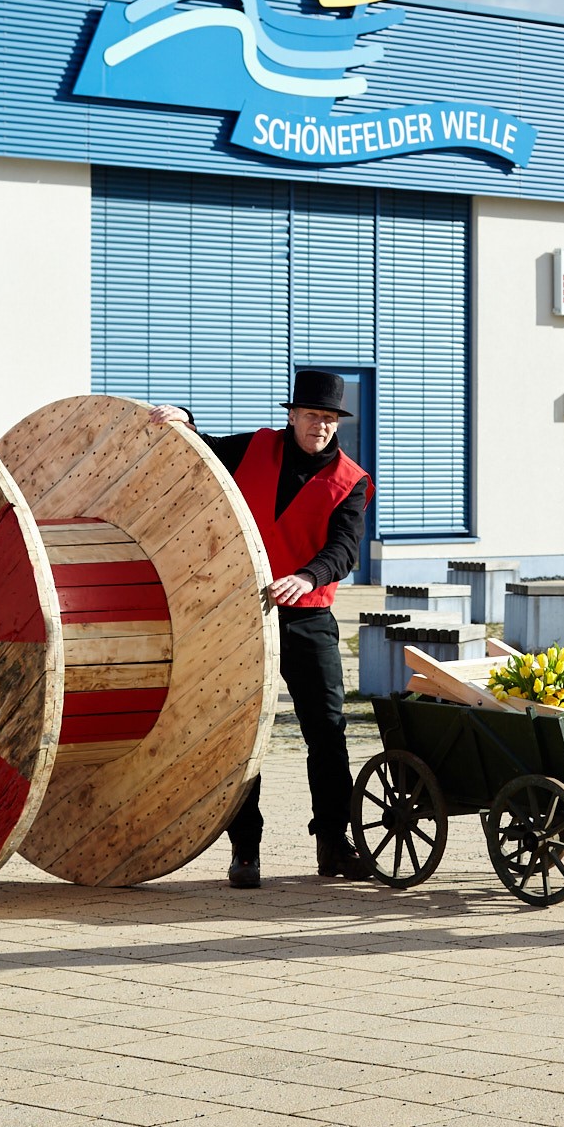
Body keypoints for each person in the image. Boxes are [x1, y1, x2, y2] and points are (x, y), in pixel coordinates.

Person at [150, 372, 374, 889]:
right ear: (291, 415)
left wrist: (306, 576)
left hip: (308, 614)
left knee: (327, 731)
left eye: (330, 418)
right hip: (240, 611)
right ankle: (245, 850)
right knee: (240, 732)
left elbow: (344, 551)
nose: (321, 426)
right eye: (313, 415)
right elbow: (200, 451)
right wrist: (186, 418)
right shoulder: (254, 446)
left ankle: (333, 845)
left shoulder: (351, 479)